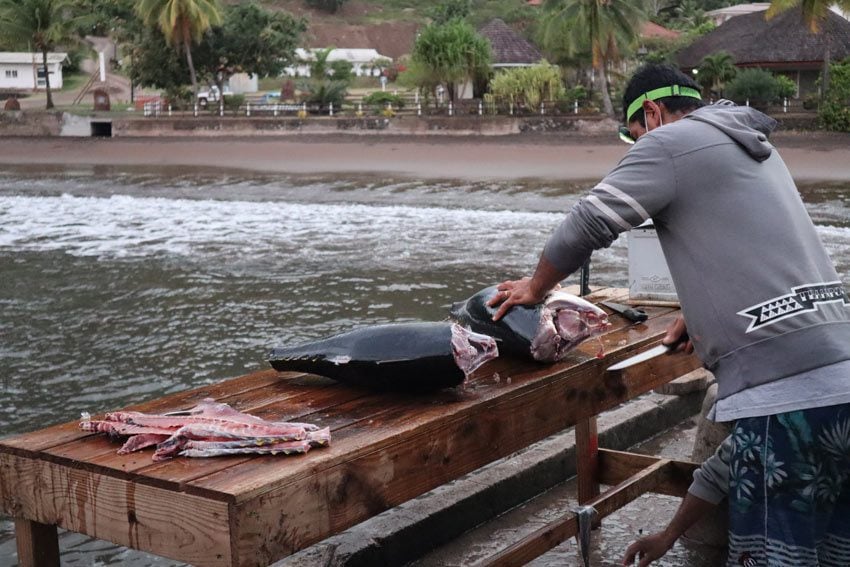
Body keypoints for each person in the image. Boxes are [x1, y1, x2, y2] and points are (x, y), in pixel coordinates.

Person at [488, 63, 850, 566]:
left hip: (783, 391)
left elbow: (589, 222)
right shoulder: (748, 144)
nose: (636, 146)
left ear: (652, 114)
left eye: (633, 135)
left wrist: (536, 287)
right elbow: (749, 248)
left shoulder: (668, 141)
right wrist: (699, 313)